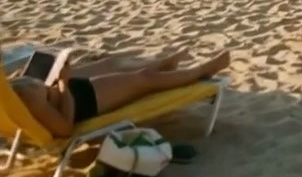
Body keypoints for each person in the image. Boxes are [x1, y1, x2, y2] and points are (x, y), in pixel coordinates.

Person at [9, 48, 230, 138]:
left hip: (65, 89)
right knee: (142, 80)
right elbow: (66, 129)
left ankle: (162, 64)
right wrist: (64, 84)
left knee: (112, 63)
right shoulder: (31, 100)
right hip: (81, 101)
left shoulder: (9, 92)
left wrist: (28, 74)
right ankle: (201, 71)